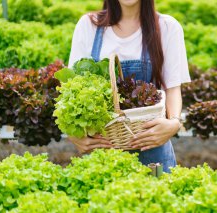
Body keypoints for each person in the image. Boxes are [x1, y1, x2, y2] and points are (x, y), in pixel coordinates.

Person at [67, 0, 191, 172]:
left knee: (156, 196)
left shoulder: (167, 27)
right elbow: (71, 91)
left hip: (151, 147)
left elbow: (173, 88)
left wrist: (174, 123)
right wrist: (73, 134)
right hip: (101, 151)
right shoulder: (88, 26)